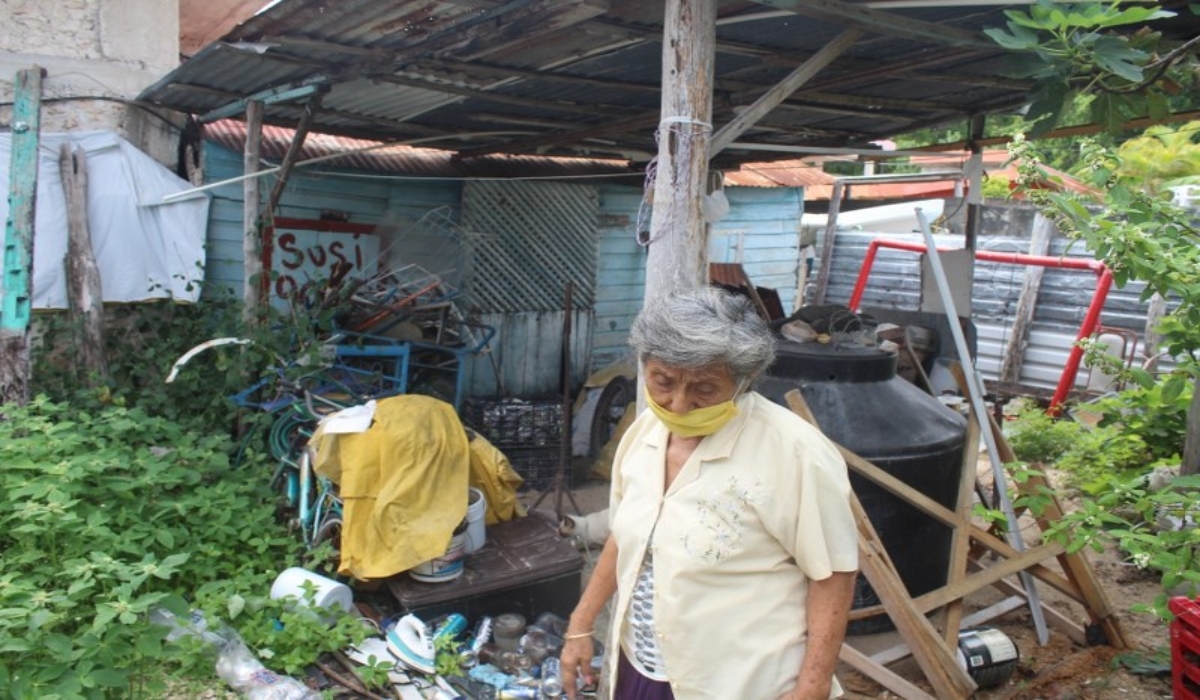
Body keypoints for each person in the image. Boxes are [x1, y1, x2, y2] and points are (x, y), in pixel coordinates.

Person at [560, 286, 859, 700]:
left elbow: (833, 574)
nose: (679, 405)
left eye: (703, 389)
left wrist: (812, 687)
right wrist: (581, 623)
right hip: (641, 667)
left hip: (737, 683)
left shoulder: (795, 454)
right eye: (663, 381)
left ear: (742, 381)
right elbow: (627, 538)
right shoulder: (644, 435)